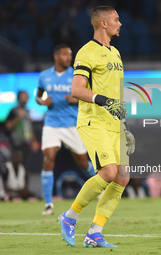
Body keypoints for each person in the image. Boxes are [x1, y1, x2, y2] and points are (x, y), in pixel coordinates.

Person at [58, 6, 135, 248]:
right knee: (109, 173)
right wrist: (103, 100)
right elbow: (76, 90)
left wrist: (125, 126)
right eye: (116, 19)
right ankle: (69, 217)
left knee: (122, 177)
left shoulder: (116, 54)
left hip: (114, 124)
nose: (119, 23)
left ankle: (95, 232)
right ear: (103, 23)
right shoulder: (87, 52)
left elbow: (116, 97)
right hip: (93, 121)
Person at [36, 44, 96, 216]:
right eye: (65, 54)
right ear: (56, 56)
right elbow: (38, 96)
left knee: (83, 162)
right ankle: (48, 204)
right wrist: (42, 102)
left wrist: (76, 99)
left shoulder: (76, 74)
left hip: (72, 124)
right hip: (52, 124)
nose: (68, 57)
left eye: (70, 55)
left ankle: (99, 191)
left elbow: (89, 95)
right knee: (48, 158)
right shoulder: (44, 76)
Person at [5, 90, 39, 165]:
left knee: (24, 165)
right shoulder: (14, 111)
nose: (26, 98)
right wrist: (18, 117)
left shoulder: (27, 111)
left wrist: (34, 141)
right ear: (19, 98)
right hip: (16, 143)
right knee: (16, 164)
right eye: (24, 96)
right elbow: (8, 126)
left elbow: (30, 127)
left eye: (27, 96)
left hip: (26, 142)